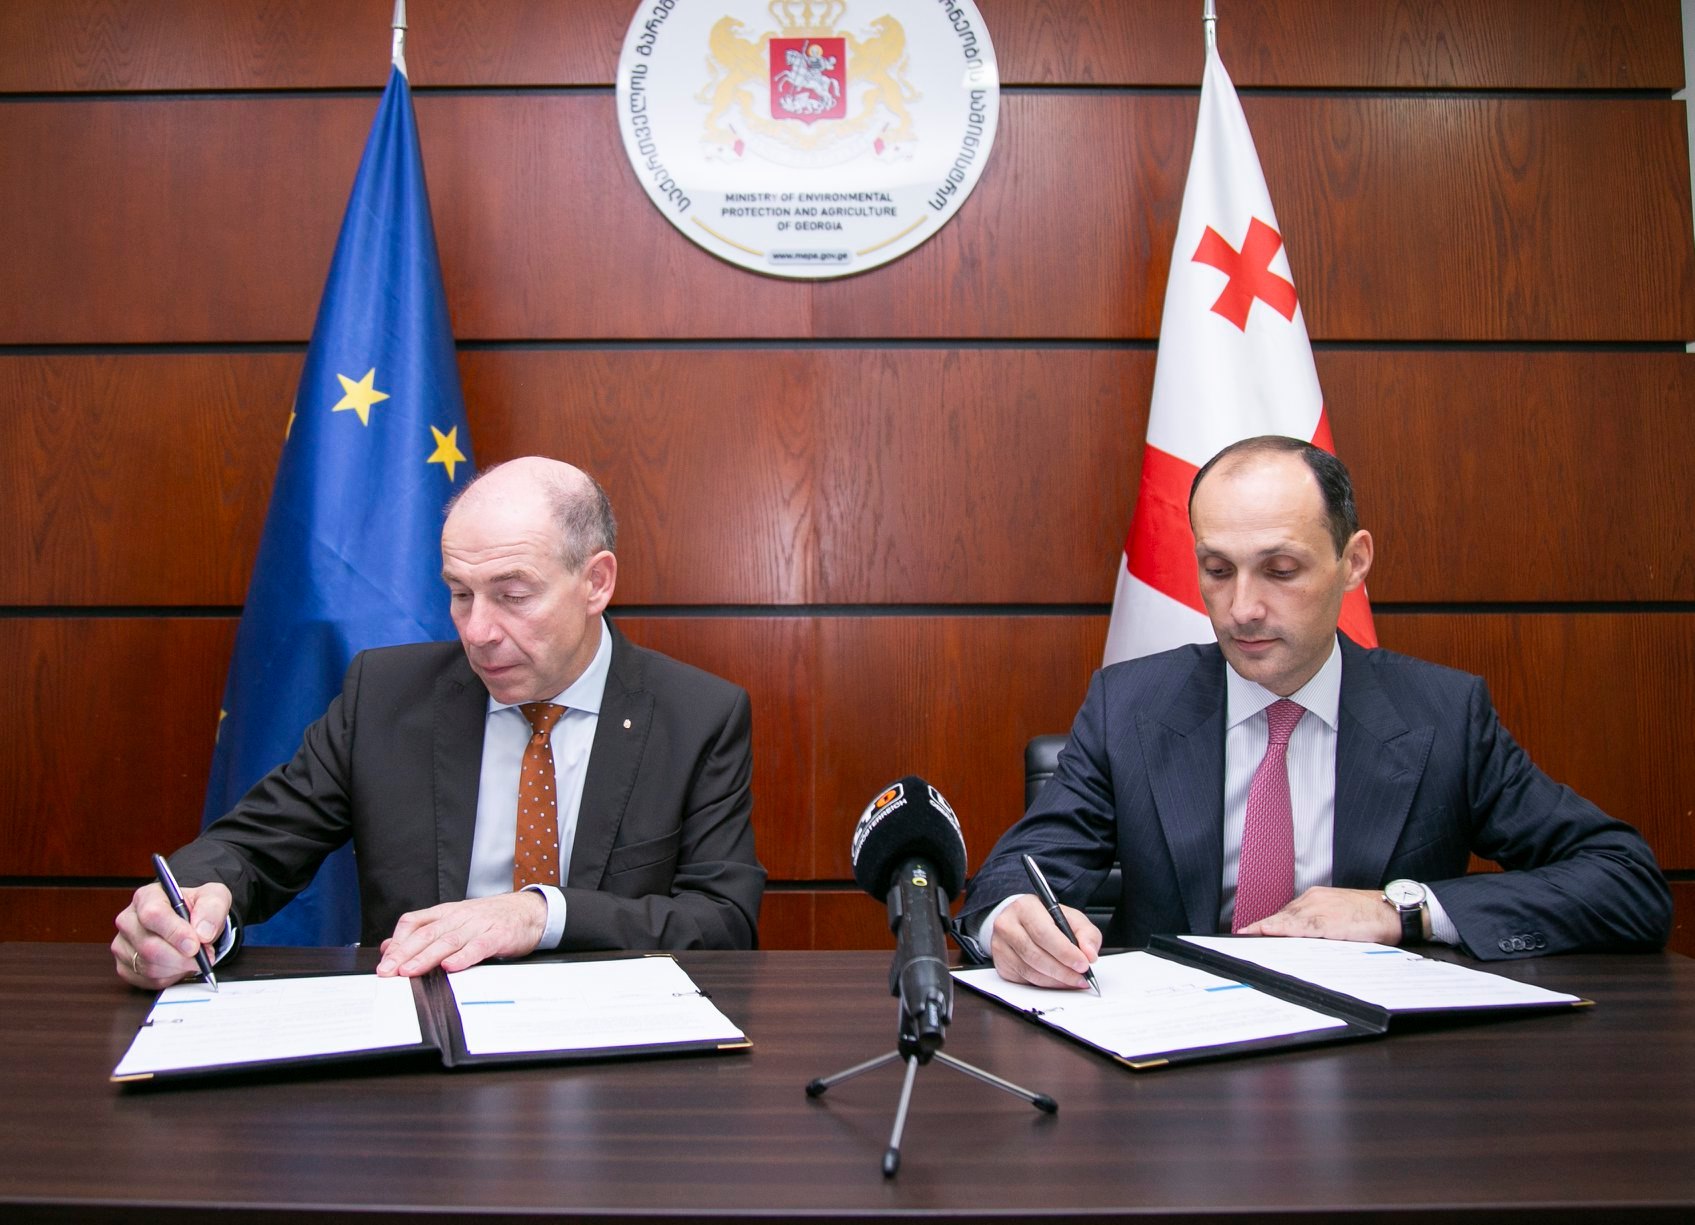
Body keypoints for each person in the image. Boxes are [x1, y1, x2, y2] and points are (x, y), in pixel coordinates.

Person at [963, 435, 1671, 989]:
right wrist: (1013, 921)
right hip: (1175, 1074)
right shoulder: (1131, 705)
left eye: (1280, 570)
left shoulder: (1444, 714)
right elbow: (1010, 880)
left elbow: (1626, 882)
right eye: (1217, 569)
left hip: (1378, 1073)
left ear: (1353, 561)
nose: (1241, 608)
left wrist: (1403, 911)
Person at [113, 457, 766, 988]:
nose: (477, 631)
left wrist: (539, 914)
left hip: (618, 1058)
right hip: (422, 1044)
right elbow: (253, 848)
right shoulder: (386, 696)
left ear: (596, 581)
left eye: (512, 595)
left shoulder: (696, 715)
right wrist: (188, 909)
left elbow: (722, 923)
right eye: (459, 593)